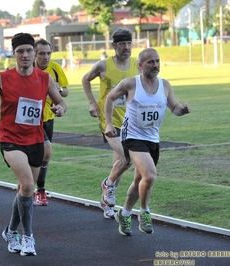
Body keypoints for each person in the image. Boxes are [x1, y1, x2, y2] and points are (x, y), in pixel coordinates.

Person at [0, 33, 67, 256]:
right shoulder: (2, 78)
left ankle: (11, 230)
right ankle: (28, 237)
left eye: (28, 51)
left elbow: (60, 100)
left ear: (34, 53)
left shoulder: (44, 78)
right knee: (27, 185)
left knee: (24, 190)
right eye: (20, 51)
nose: (25, 55)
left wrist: (61, 108)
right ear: (13, 54)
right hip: (10, 140)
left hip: (35, 139)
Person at [105, 48, 191, 236]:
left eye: (158, 61)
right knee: (150, 176)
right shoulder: (130, 83)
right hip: (133, 137)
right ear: (141, 65)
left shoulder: (165, 85)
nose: (155, 65)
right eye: (151, 62)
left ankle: (125, 213)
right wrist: (109, 124)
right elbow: (110, 98)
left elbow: (174, 107)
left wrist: (182, 110)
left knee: (139, 181)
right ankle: (144, 211)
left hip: (153, 138)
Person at [81, 27, 140, 219]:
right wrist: (92, 102)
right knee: (128, 158)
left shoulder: (136, 65)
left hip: (129, 122)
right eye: (122, 44)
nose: (126, 47)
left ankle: (107, 200)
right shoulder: (103, 65)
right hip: (108, 121)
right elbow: (85, 79)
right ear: (114, 45)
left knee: (119, 163)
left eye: (129, 43)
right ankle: (108, 184)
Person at [32, 38, 69, 206]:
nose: (45, 57)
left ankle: (33, 189)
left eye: (48, 53)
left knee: (44, 156)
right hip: (31, 120)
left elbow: (65, 92)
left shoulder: (55, 68)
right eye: (41, 54)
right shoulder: (27, 70)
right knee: (45, 152)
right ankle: (38, 190)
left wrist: (57, 88)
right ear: (34, 54)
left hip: (49, 117)